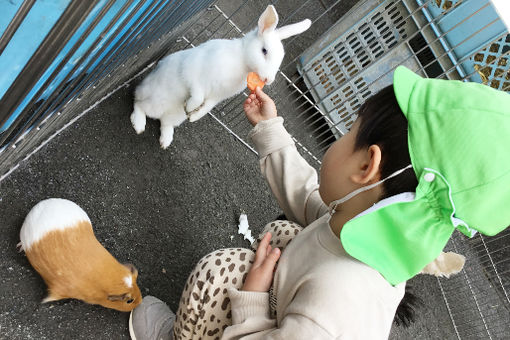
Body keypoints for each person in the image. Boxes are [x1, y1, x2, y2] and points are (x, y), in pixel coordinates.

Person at [128, 66, 510, 339]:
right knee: (284, 232)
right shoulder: (368, 225)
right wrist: (270, 131)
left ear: (367, 165)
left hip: (283, 321)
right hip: (296, 301)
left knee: (219, 273)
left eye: (350, 131)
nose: (341, 139)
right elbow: (311, 198)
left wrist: (253, 302)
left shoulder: (335, 312)